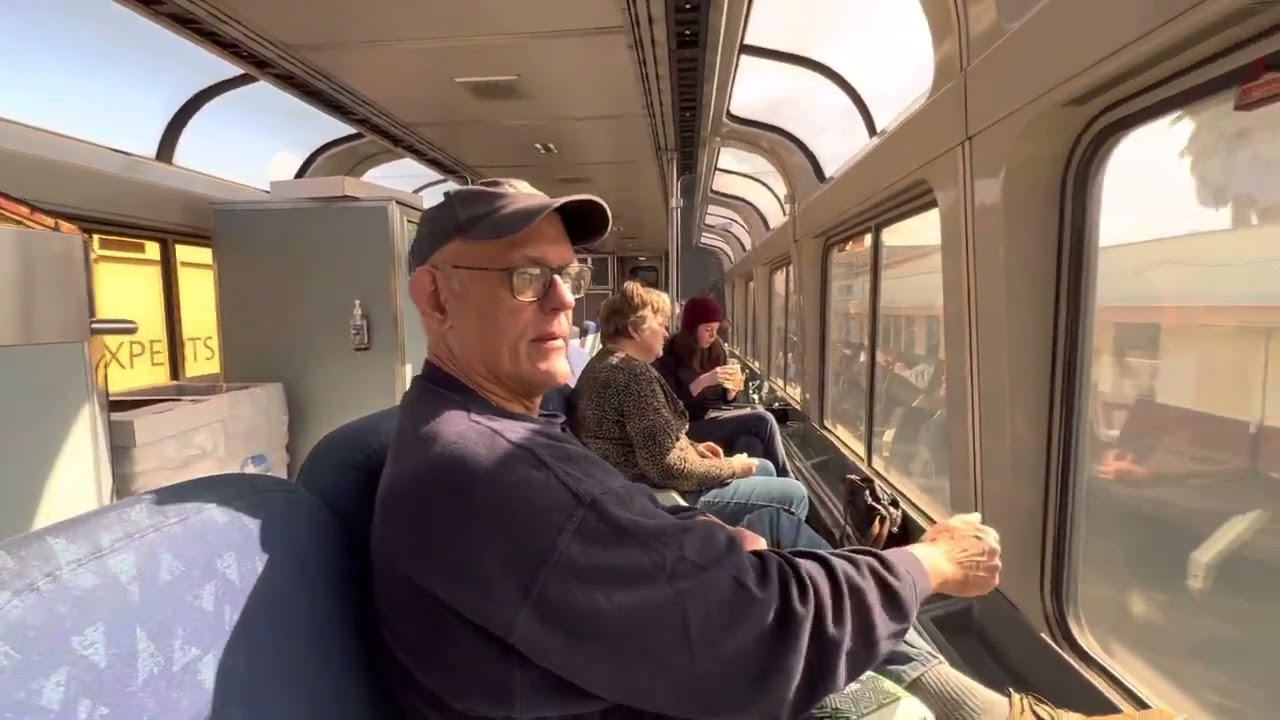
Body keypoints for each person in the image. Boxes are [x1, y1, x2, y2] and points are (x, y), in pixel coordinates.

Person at [370, 178, 1181, 720]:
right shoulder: (484, 467)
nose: (558, 300)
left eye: (567, 275)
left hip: (636, 658)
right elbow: (759, 631)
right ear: (435, 295)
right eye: (522, 278)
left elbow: (609, 538)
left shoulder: (506, 427)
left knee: (829, 589)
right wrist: (930, 563)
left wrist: (705, 545)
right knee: (835, 642)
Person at [569, 281, 809, 525]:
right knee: (795, 494)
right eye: (661, 325)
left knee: (765, 467)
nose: (665, 333)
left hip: (643, 484)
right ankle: (760, 557)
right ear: (635, 330)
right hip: (661, 497)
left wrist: (694, 448)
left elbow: (654, 440)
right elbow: (667, 469)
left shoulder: (607, 365)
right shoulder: (629, 375)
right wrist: (732, 468)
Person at [656, 294, 793, 477]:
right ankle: (787, 480)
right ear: (692, 327)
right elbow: (669, 403)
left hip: (715, 415)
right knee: (763, 420)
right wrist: (702, 382)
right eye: (707, 329)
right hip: (688, 425)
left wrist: (731, 392)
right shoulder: (670, 352)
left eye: (716, 329)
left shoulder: (716, 348)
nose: (713, 335)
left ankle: (760, 495)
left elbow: (722, 397)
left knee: (750, 443)